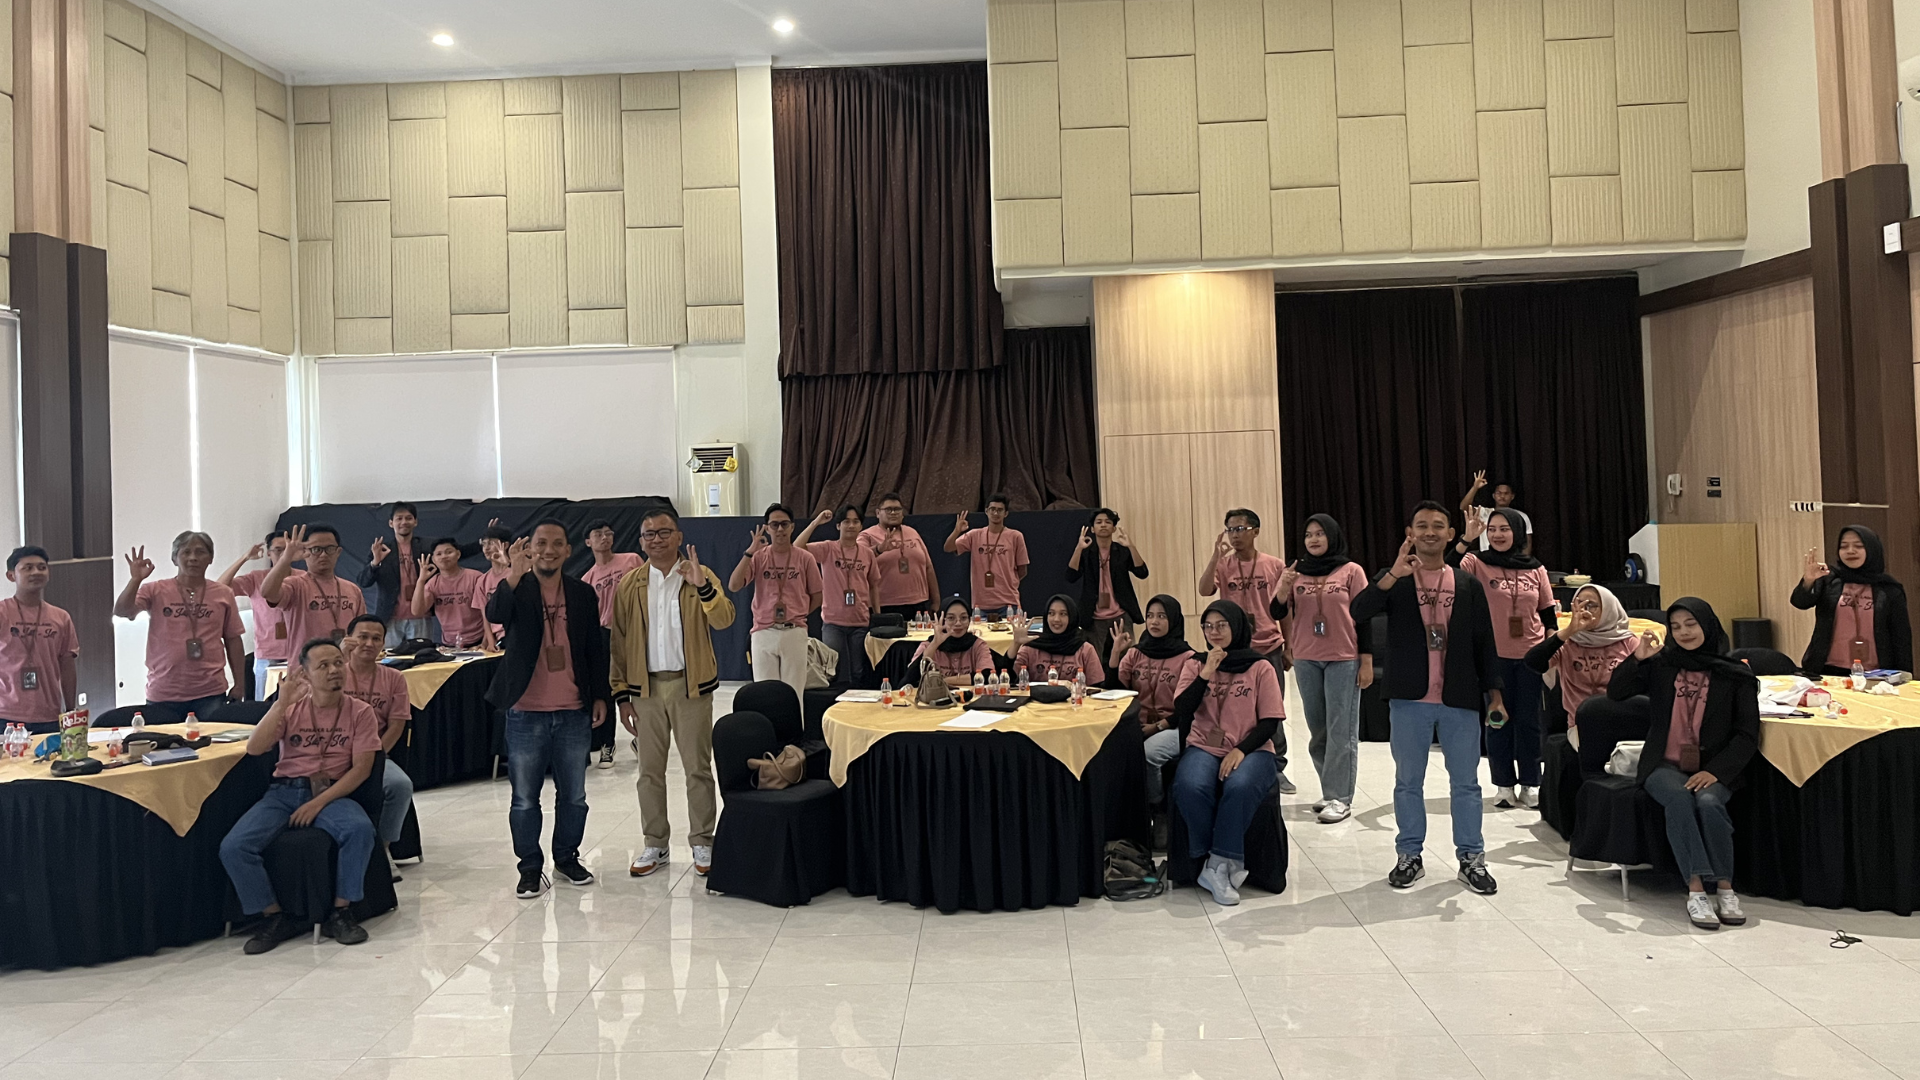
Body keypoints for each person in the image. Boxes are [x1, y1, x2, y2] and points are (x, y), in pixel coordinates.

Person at [1350, 502, 1504, 895]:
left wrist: (1495, 694)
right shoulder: (1397, 578)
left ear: (1451, 534)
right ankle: (1409, 856)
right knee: (1408, 783)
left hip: (1459, 696)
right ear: (1411, 533)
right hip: (1409, 697)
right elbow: (1358, 610)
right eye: (1422, 525)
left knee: (1466, 784)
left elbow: (1485, 642)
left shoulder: (1467, 583)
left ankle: (1471, 858)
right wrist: (1392, 575)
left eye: (1438, 525)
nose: (1430, 532)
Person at [219, 638, 379, 954]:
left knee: (360, 830)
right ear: (305, 674)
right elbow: (254, 748)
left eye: (338, 662)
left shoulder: (361, 712)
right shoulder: (291, 709)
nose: (334, 670)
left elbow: (361, 770)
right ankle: (274, 916)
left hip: (331, 793)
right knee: (234, 847)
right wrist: (280, 704)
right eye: (323, 665)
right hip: (283, 792)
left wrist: (317, 803)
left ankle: (341, 912)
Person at [1608, 597, 1758, 930]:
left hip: (1714, 767)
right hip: (1664, 764)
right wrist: (1638, 658)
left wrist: (1715, 771)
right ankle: (1696, 890)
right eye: (1675, 627)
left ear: (1708, 625)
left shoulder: (1735, 673)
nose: (1684, 632)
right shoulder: (1662, 664)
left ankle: (1725, 888)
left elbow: (1747, 734)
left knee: (1708, 802)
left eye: (1691, 624)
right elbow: (1616, 693)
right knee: (1678, 799)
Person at [485, 521, 612, 899]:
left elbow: (594, 647)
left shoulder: (582, 592)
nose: (549, 550)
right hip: (526, 710)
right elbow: (495, 613)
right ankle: (529, 867)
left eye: (558, 543)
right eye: (541, 543)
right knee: (525, 798)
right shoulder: (516, 587)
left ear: (569, 551)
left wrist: (600, 695)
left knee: (574, 796)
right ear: (529, 549)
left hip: (573, 710)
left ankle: (566, 858)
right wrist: (513, 573)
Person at [609, 506, 735, 879]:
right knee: (649, 771)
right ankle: (655, 843)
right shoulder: (630, 584)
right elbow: (619, 642)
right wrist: (621, 695)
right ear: (641, 541)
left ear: (679, 536)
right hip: (645, 689)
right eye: (649, 534)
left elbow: (724, 619)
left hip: (690, 687)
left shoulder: (698, 573)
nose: (657, 539)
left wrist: (703, 586)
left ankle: (702, 840)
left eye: (665, 532)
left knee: (698, 768)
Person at [1168, 600, 1286, 906]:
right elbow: (1183, 709)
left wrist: (1240, 750)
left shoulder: (1260, 667)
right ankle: (1217, 860)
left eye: (1222, 625)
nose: (1214, 632)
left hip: (1251, 748)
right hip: (1204, 745)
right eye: (1208, 626)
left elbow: (1270, 722)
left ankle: (1217, 865)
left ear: (1237, 626)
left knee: (1240, 785)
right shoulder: (1195, 664)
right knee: (1190, 785)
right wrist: (1206, 672)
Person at [1454, 507, 1555, 810]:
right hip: (1493, 655)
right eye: (1492, 529)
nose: (1498, 535)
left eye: (1504, 529)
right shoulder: (1477, 563)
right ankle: (1503, 784)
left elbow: (1548, 614)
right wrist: (1466, 539)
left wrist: (1551, 650)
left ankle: (1531, 783)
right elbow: (1446, 572)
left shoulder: (1536, 568)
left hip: (1531, 656)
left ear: (1518, 532)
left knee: (1530, 721)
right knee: (1497, 720)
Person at [1277, 515, 1372, 824]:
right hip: (1307, 658)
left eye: (1320, 533)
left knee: (1340, 730)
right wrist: (1283, 587)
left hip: (1343, 658)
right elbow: (1277, 610)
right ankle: (1329, 790)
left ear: (1332, 536)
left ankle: (1340, 798)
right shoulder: (1296, 572)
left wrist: (1366, 660)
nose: (1313, 539)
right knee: (1318, 731)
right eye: (1308, 535)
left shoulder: (1351, 571)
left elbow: (1364, 617)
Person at [1198, 508, 1295, 794]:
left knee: (1271, 710)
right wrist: (1215, 557)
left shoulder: (1273, 565)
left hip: (1268, 646)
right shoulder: (1224, 565)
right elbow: (1204, 590)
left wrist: (1289, 646)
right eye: (1230, 529)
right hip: (1234, 650)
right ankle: (1233, 756)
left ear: (1255, 531)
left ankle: (1276, 767)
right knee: (1233, 707)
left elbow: (1283, 609)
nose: (1234, 535)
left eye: (1239, 529)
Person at [115, 532, 247, 717]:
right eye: (186, 552)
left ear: (210, 558)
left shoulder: (223, 593)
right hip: (163, 693)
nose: (193, 558)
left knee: (211, 737)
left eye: (200, 552)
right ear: (174, 559)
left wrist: (240, 684)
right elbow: (123, 611)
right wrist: (135, 580)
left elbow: (233, 639)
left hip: (210, 693)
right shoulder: (155, 590)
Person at [339, 614, 416, 875]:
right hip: (334, 752)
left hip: (375, 752)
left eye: (376, 638)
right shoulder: (334, 672)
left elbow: (397, 724)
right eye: (362, 637)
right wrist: (339, 657)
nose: (369, 643)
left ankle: (382, 850)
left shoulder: (394, 677)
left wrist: (374, 756)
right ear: (349, 639)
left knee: (400, 785)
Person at [1107, 594, 1193, 817]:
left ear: (1174, 620)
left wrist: (1158, 727)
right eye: (1150, 616)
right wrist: (1116, 653)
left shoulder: (1189, 658)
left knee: (1148, 754)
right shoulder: (1135, 653)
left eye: (1162, 616)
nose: (1154, 621)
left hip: (1175, 727)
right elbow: (1116, 693)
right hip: (1137, 724)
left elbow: (1188, 708)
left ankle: (1156, 810)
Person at [1526, 584, 1638, 750]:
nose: (1584, 611)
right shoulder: (1568, 643)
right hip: (1580, 724)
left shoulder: (1628, 642)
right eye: (1579, 605)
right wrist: (1569, 631)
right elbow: (1532, 662)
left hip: (1621, 719)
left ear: (1608, 609)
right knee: (1596, 747)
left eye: (1591, 605)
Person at [728, 503, 822, 701]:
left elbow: (817, 595)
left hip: (794, 631)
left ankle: (794, 724)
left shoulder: (805, 558)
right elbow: (734, 586)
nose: (780, 529)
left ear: (792, 527)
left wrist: (799, 613)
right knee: (765, 695)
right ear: (767, 528)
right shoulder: (758, 557)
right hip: (763, 632)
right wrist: (749, 553)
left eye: (784, 524)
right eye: (774, 525)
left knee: (794, 695)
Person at [1793, 525, 1913, 675]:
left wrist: (1904, 676)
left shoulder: (1889, 589)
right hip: (1828, 670)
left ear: (1871, 549)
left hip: (1876, 674)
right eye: (1844, 546)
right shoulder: (1829, 580)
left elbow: (1901, 638)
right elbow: (1800, 602)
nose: (1850, 551)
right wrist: (1808, 580)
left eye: (1858, 546)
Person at [796, 506, 883, 687]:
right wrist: (816, 523)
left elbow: (874, 585)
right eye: (846, 521)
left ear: (861, 526)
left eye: (855, 521)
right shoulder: (828, 548)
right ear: (838, 526)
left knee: (858, 671)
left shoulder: (867, 553)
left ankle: (857, 703)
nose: (851, 525)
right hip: (833, 622)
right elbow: (797, 547)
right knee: (832, 670)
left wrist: (877, 614)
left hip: (860, 622)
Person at [582, 520, 644, 768]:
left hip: (636, 632)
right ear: (588, 542)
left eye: (608, 533)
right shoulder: (587, 579)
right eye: (598, 534)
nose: (604, 537)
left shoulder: (631, 560)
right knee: (608, 690)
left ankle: (641, 737)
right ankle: (607, 744)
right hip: (605, 635)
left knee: (640, 687)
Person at [0, 547, 79, 734]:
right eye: (27, 568)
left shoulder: (61, 617)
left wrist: (70, 710)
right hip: (6, 715)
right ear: (11, 576)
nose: (36, 572)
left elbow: (67, 666)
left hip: (49, 715)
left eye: (41, 567)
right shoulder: (3, 612)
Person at [262, 524, 367, 653]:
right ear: (305, 552)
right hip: (305, 664)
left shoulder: (352, 589)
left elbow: (363, 628)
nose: (323, 555)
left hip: (343, 663)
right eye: (316, 549)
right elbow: (267, 593)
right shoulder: (295, 585)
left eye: (330, 549)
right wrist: (285, 559)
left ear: (338, 552)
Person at [1066, 508, 1147, 669]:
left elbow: (1142, 572)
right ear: (1092, 528)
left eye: (1108, 522)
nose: (1103, 525)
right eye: (1099, 522)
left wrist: (1131, 546)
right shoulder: (1087, 552)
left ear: (1114, 528)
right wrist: (1078, 548)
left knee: (1127, 662)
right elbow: (1071, 576)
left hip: (1121, 614)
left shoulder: (1121, 550)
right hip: (1094, 618)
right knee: (1096, 663)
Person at [220, 532, 296, 699]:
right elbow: (220, 587)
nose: (283, 554)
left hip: (297, 655)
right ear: (269, 553)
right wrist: (244, 558)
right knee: (263, 706)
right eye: (278, 550)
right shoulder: (256, 578)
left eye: (287, 549)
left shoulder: (303, 578)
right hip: (267, 655)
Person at [945, 494, 1030, 617]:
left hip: (1008, 603)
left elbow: (1022, 570)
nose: (995, 513)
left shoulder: (1015, 536)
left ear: (1006, 513)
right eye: (992, 509)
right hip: (981, 605)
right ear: (986, 511)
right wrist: (957, 530)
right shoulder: (975, 535)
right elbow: (948, 548)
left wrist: (1009, 581)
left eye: (1000, 510)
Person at [359, 502, 430, 645]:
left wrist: (480, 542)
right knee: (389, 657)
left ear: (415, 522)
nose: (404, 522)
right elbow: (363, 581)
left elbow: (457, 551)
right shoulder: (381, 549)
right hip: (390, 617)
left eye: (408, 518)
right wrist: (375, 562)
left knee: (422, 656)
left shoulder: (426, 546)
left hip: (420, 615)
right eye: (399, 518)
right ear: (391, 523)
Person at [859, 493, 939, 619]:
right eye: (888, 509)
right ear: (878, 513)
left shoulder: (912, 533)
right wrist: (879, 549)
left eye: (897, 509)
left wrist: (936, 601)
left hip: (918, 604)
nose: (893, 513)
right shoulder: (867, 535)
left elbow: (928, 567)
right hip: (883, 606)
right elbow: (857, 560)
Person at [410, 537, 493, 650]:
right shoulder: (433, 583)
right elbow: (417, 611)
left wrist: (486, 642)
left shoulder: (475, 577)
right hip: (449, 644)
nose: (444, 556)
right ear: (434, 559)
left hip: (478, 641)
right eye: (439, 554)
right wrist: (421, 581)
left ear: (458, 554)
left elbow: (488, 612)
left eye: (449, 552)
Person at [1011, 594, 1105, 684]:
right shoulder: (1031, 648)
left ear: (1072, 617)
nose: (1056, 619)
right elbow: (1008, 678)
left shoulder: (1085, 649)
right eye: (1051, 613)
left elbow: (1097, 687)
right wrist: (1016, 644)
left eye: (1063, 614)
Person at [912, 595, 996, 685]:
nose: (958, 623)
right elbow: (912, 678)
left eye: (963, 618)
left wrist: (942, 681)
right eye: (951, 618)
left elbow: (987, 676)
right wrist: (935, 644)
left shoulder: (978, 644)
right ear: (942, 620)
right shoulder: (928, 645)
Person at [1460, 471, 1533, 554]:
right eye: (1499, 493)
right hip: (1487, 558)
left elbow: (1527, 542)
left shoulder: (1521, 516)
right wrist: (1475, 487)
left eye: (1506, 493)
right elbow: (1464, 507)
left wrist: (1524, 560)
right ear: (1493, 495)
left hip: (1512, 559)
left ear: (1512, 496)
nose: (1502, 496)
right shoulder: (1484, 512)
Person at [473, 523, 516, 649]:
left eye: (491, 543)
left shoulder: (516, 573)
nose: (486, 548)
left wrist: (508, 562)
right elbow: (485, 616)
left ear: (505, 545)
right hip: (499, 638)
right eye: (484, 544)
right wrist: (490, 642)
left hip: (517, 633)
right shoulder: (482, 580)